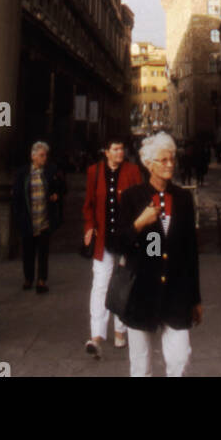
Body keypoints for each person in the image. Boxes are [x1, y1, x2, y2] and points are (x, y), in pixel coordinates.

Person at [116, 131, 202, 378]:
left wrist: (195, 298)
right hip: (141, 293)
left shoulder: (184, 198)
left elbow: (190, 252)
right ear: (149, 164)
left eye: (172, 159)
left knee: (180, 358)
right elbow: (119, 242)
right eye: (163, 160)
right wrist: (139, 224)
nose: (170, 165)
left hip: (176, 293)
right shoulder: (132, 198)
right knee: (140, 366)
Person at [83, 138, 142, 358]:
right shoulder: (93, 172)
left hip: (126, 239)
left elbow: (140, 202)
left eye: (121, 149)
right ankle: (96, 336)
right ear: (106, 152)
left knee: (123, 283)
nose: (120, 152)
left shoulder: (133, 171)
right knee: (100, 285)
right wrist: (89, 227)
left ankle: (120, 330)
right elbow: (88, 204)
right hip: (103, 241)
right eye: (115, 149)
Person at [11, 141, 66, 292]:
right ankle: (28, 278)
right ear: (33, 156)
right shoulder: (23, 173)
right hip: (29, 218)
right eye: (41, 155)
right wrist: (18, 217)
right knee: (28, 251)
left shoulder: (50, 171)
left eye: (45, 155)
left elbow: (62, 187)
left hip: (44, 219)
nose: (44, 158)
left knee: (43, 252)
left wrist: (57, 195)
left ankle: (42, 280)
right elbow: (16, 197)